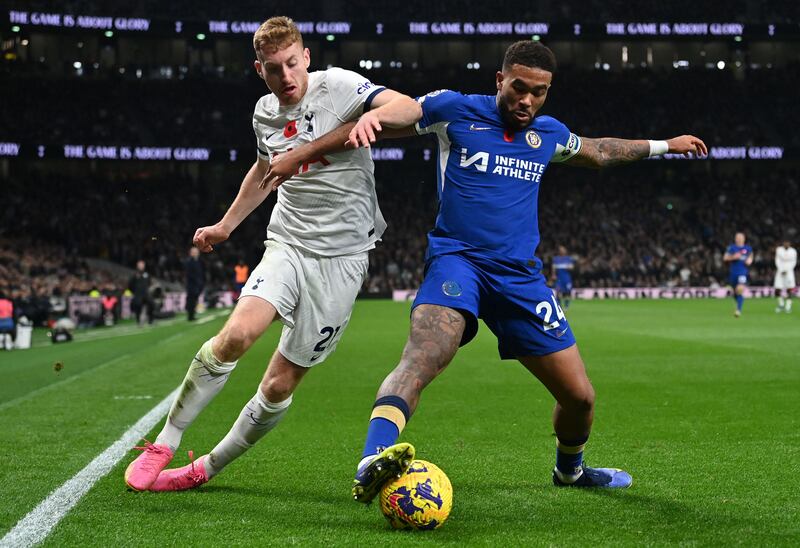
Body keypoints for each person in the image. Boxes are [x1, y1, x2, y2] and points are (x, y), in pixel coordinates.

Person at [342, 40, 707, 501]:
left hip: (520, 277)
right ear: (500, 80)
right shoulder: (455, 109)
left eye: (539, 92)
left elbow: (599, 152)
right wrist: (376, 117)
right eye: (519, 88)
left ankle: (570, 472)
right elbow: (408, 111)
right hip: (459, 262)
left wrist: (664, 145)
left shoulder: (548, 133)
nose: (527, 100)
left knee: (580, 398)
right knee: (424, 354)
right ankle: (372, 460)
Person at [124, 16, 416, 492]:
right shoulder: (264, 113)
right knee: (236, 335)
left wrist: (372, 115)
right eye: (274, 68)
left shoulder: (340, 87)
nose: (286, 77)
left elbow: (409, 111)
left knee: (279, 385)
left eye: (292, 64)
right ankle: (166, 440)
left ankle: (206, 468)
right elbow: (263, 171)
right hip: (288, 243)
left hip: (343, 260)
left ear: (307, 58)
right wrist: (226, 225)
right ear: (259, 70)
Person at [723, 232, 753, 318]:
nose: (738, 239)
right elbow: (725, 258)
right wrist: (733, 257)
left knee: (739, 289)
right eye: (737, 237)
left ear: (744, 239)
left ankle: (738, 310)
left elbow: (750, 258)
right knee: (735, 292)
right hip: (733, 273)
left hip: (742, 273)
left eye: (740, 237)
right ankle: (739, 301)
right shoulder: (731, 248)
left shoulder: (748, 248)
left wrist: (749, 261)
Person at [774, 239, 797, 313]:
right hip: (780, 271)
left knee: (789, 289)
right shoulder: (779, 250)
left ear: (789, 243)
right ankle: (781, 304)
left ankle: (788, 306)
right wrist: (781, 269)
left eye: (788, 242)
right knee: (777, 289)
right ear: (783, 243)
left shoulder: (793, 251)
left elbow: (794, 262)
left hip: (789, 271)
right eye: (785, 242)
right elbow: (777, 260)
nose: (786, 244)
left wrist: (787, 270)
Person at [128, 260, 153, 325]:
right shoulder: (135, 275)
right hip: (138, 294)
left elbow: (150, 283)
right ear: (137, 266)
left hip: (146, 294)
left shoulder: (147, 274)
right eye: (140, 265)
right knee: (138, 306)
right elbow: (130, 285)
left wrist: (148, 289)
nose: (141, 266)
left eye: (142, 265)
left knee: (151, 304)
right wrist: (134, 292)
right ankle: (138, 321)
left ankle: (151, 320)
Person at [185, 247, 205, 321]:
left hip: (198, 285)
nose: (196, 253)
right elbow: (189, 274)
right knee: (191, 300)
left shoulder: (199, 261)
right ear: (191, 253)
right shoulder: (189, 262)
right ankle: (190, 316)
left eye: (196, 252)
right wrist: (197, 281)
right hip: (192, 285)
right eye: (194, 252)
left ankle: (192, 315)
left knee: (195, 300)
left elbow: (201, 273)